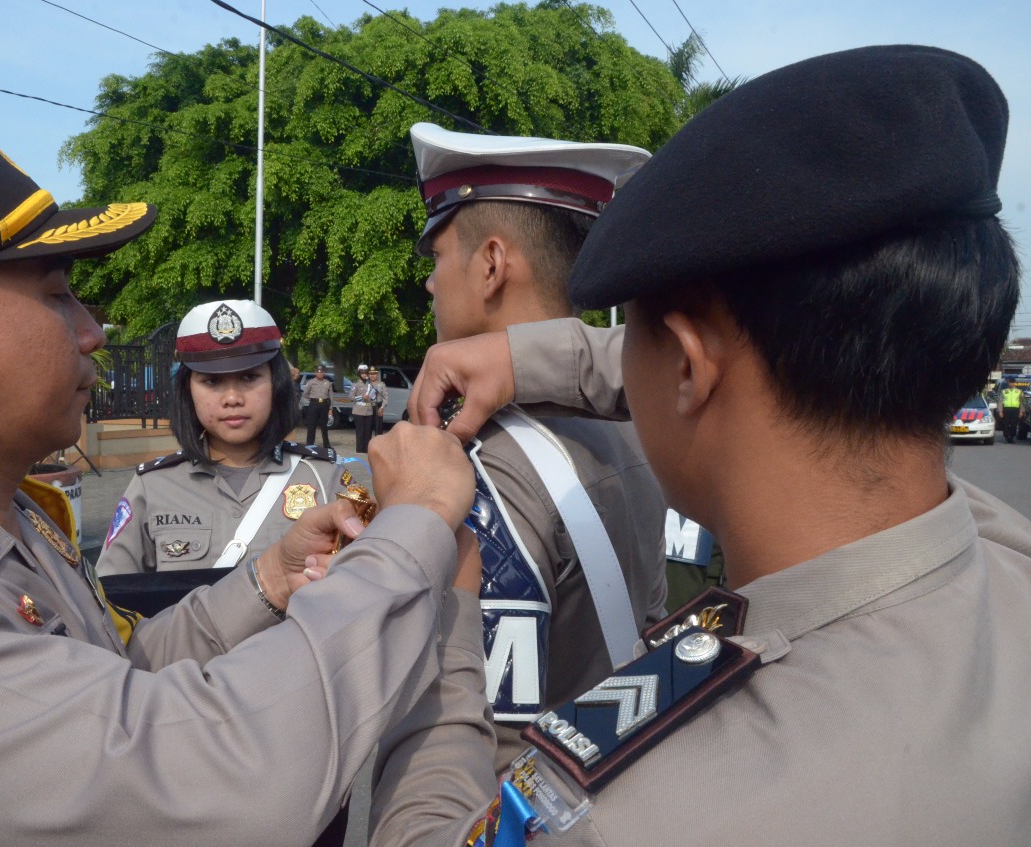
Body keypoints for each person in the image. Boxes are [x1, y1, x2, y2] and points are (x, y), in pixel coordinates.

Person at [0, 125, 483, 847]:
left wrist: (271, 578)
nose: (92, 330)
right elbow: (216, 782)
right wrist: (414, 523)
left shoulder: (2, 524)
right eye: (55, 294)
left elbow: (115, 681)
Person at [374, 45, 1031, 846]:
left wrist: (438, 608)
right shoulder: (999, 553)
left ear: (688, 364)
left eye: (637, 334)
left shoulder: (635, 811)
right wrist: (530, 356)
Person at [406, 122, 668, 770]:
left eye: (437, 257)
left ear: (491, 264)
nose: (430, 284)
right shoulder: (640, 419)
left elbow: (488, 750)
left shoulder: (481, 464)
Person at [95, 300, 347, 579]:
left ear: (276, 384)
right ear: (187, 390)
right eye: (211, 382)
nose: (232, 399)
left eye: (249, 377)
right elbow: (110, 602)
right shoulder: (151, 487)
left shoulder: (326, 479)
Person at [301, 364, 335, 449]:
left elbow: (331, 396)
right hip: (314, 404)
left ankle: (326, 445)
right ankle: (309, 444)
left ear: (324, 373)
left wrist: (330, 408)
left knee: (324, 425)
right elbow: (305, 394)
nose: (320, 374)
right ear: (315, 373)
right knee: (311, 425)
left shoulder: (328, 383)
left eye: (321, 372)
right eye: (318, 372)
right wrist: (313, 399)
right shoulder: (311, 382)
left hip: (324, 404)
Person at [351, 362, 379, 452]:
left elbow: (373, 397)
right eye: (362, 373)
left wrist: (374, 394)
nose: (364, 375)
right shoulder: (356, 384)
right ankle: (359, 450)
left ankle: (367, 450)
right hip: (359, 411)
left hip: (368, 410)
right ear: (359, 373)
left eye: (366, 373)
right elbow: (351, 398)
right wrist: (361, 397)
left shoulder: (370, 384)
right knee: (360, 432)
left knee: (368, 432)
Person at [1000, 377, 1022, 442]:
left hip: (1015, 410)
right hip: (1006, 409)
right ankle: (1006, 437)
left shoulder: (1019, 391)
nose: (1011, 384)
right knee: (1006, 424)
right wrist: (1000, 411)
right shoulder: (1004, 391)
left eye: (1012, 382)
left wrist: (1021, 412)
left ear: (1014, 383)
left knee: (1014, 424)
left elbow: (1022, 403)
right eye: (1009, 382)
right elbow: (1000, 402)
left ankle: (1012, 437)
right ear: (1008, 383)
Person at [369, 367, 387, 434]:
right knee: (368, 428)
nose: (372, 376)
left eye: (374, 374)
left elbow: (385, 397)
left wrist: (382, 407)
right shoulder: (366, 384)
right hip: (368, 407)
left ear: (377, 374)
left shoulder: (381, 384)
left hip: (378, 407)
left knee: (378, 428)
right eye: (370, 374)